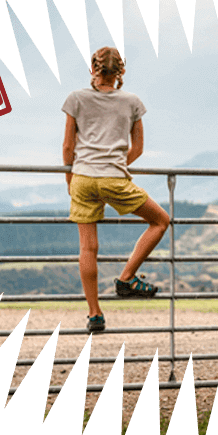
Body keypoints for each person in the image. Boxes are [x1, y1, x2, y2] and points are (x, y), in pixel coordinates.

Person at [62, 47, 170, 333]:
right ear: (121, 72)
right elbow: (138, 148)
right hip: (114, 177)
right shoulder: (132, 102)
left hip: (82, 177)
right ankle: (126, 278)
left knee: (88, 248)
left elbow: (68, 146)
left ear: (92, 69)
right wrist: (116, 164)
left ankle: (95, 314)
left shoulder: (76, 98)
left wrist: (69, 176)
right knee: (160, 221)